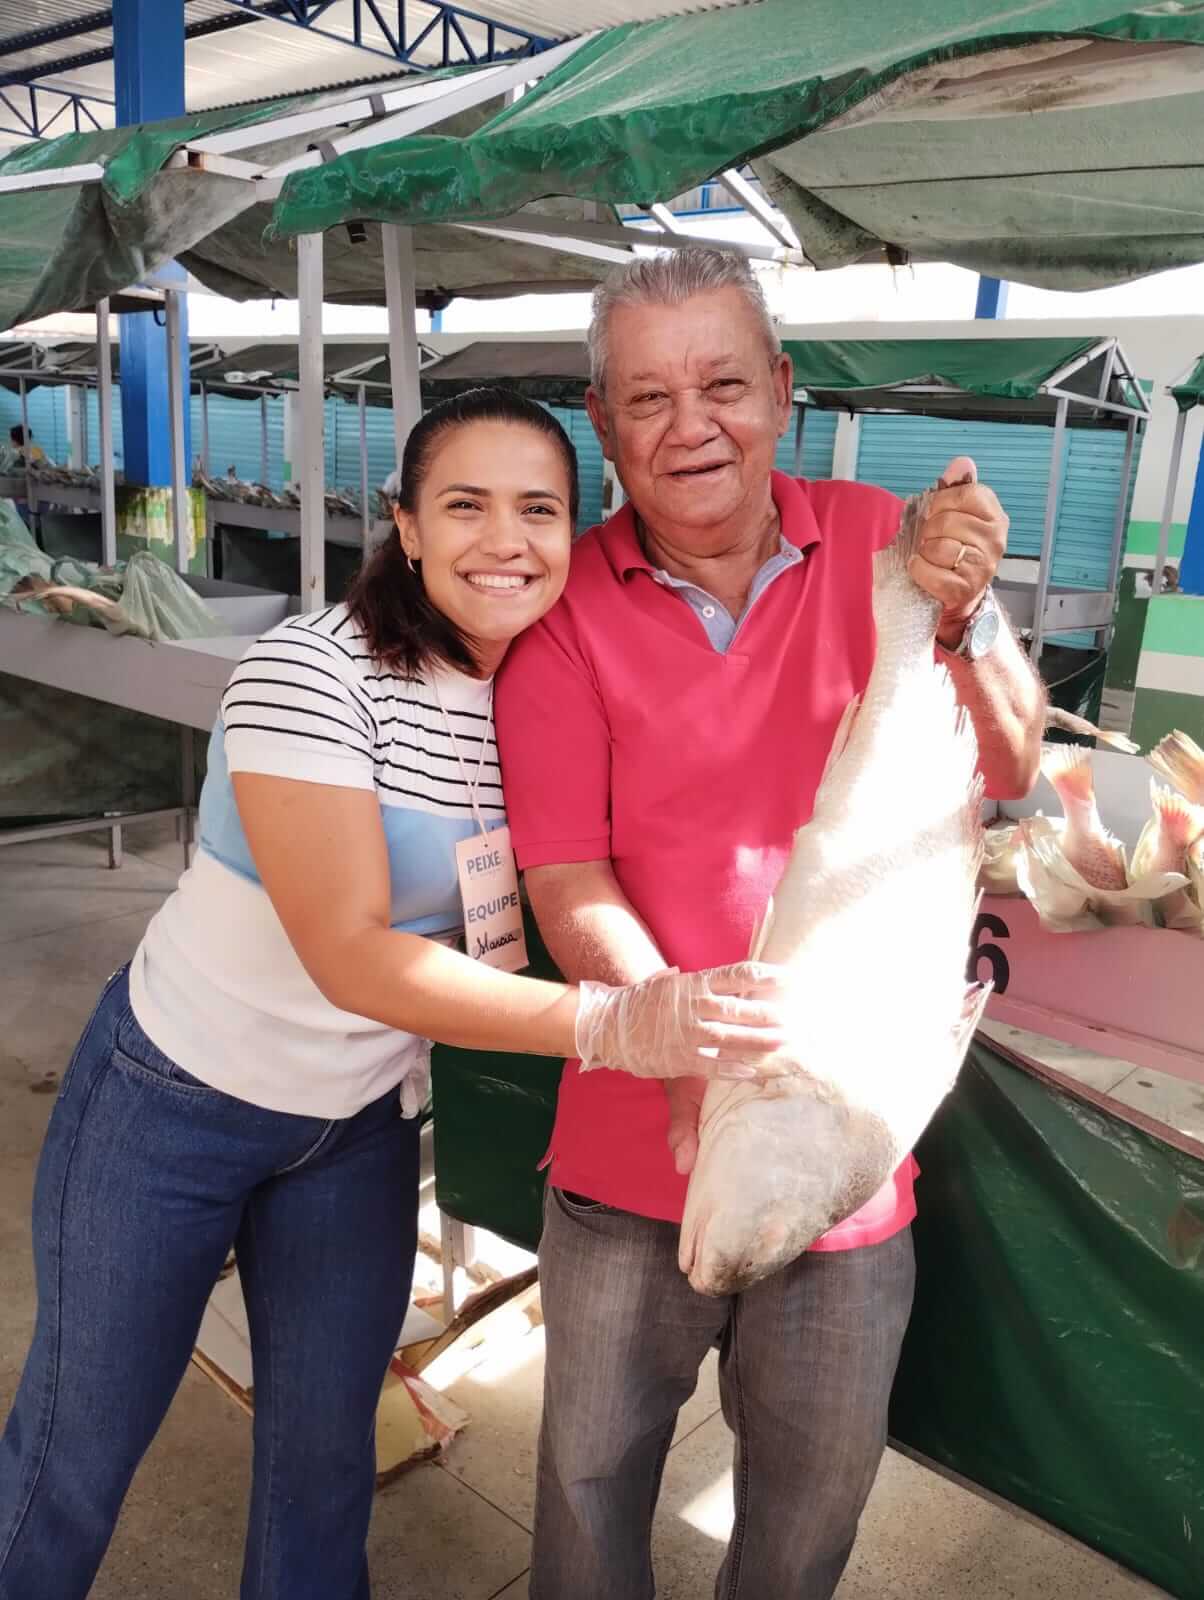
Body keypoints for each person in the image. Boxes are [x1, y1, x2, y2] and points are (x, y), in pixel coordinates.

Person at [0, 387, 788, 1600]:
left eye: (538, 510)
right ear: (406, 526)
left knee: (323, 1467)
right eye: (463, 505)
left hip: (357, 1129)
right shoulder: (308, 673)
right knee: (76, 1449)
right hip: (171, 1104)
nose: (504, 540)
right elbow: (354, 956)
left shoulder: (552, 690)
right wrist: (620, 1023)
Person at [494, 252, 1047, 1600]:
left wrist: (964, 613)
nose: (693, 426)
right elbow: (569, 879)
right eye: (649, 398)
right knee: (586, 1497)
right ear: (603, 421)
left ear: (784, 393)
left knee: (804, 1526)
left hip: (848, 1161)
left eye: (726, 384)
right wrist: (679, 1035)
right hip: (627, 1165)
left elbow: (1017, 763)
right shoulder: (558, 612)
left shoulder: (881, 540)